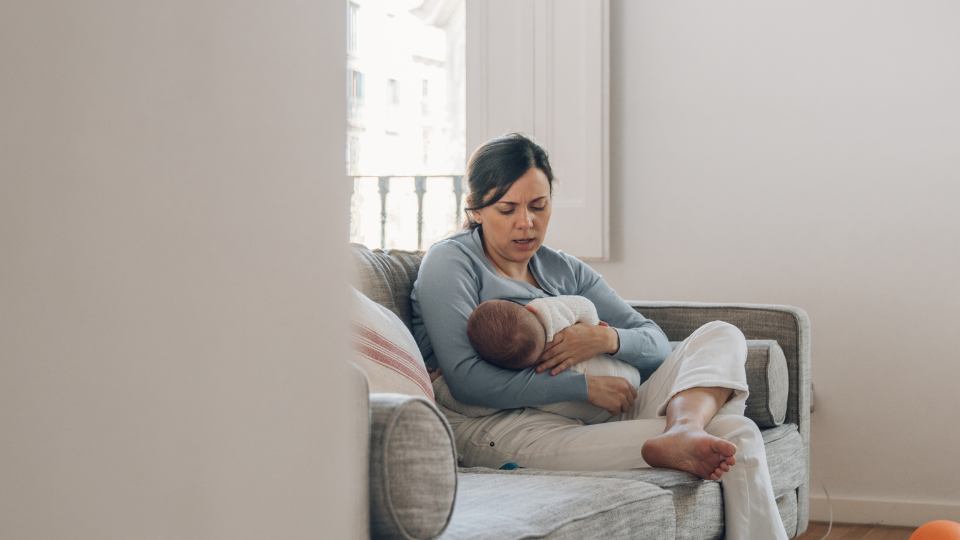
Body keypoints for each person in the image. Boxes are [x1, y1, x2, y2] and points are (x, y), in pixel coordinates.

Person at [410, 133, 788, 540]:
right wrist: (584, 386)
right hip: (513, 427)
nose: (527, 223)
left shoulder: (563, 269)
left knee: (721, 334)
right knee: (736, 435)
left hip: (610, 403)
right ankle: (686, 432)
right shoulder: (451, 263)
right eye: (507, 209)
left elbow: (655, 342)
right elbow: (466, 381)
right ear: (477, 210)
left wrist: (605, 341)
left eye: (539, 206)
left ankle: (683, 427)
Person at [458, 295, 641, 424]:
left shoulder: (519, 375)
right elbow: (585, 305)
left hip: (598, 412)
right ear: (529, 308)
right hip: (626, 377)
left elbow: (480, 406)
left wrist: (440, 388)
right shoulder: (547, 311)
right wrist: (592, 327)